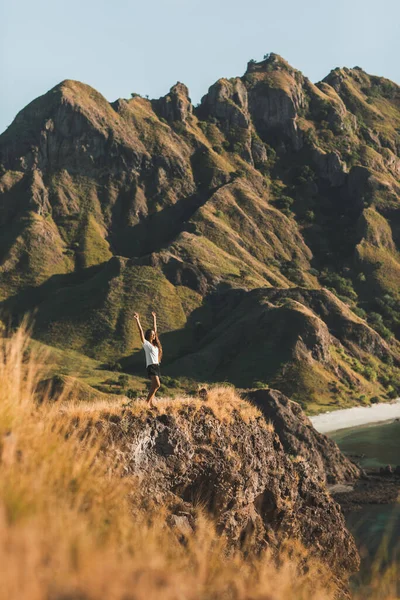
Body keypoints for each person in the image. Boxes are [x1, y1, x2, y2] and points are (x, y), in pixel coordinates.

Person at [133, 311, 162, 408]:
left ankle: (150, 402)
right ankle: (146, 402)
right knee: (157, 384)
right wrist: (138, 320)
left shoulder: (155, 345)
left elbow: (155, 329)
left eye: (154, 334)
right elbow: (141, 332)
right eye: (152, 334)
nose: (154, 335)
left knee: (155, 386)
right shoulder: (146, 344)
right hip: (151, 366)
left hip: (156, 366)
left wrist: (154, 318)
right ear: (149, 335)